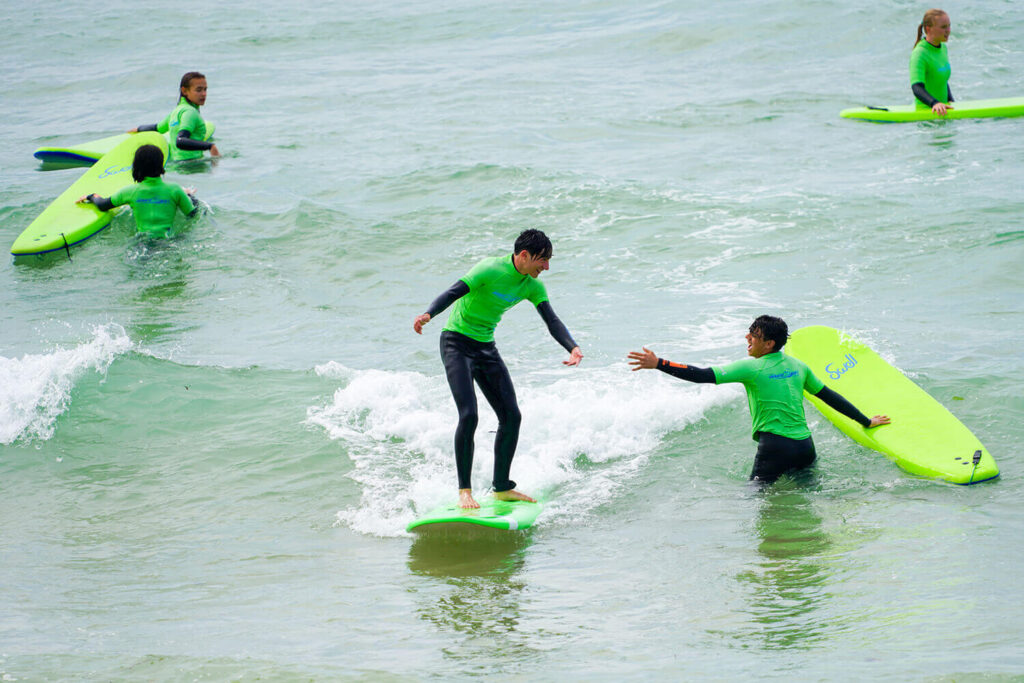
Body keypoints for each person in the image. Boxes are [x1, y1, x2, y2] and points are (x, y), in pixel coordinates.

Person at [413, 229, 584, 509]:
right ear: (524, 255)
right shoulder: (490, 268)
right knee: (469, 415)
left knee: (511, 416)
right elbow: (454, 292)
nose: (547, 267)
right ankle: (464, 492)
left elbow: (551, 320)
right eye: (543, 260)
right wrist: (428, 314)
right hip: (456, 343)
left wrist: (572, 347)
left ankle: (501, 487)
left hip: (485, 347)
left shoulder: (531, 285)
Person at [627, 315, 890, 483]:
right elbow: (830, 397)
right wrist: (866, 421)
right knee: (806, 503)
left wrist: (659, 363)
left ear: (769, 344)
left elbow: (702, 376)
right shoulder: (799, 366)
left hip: (775, 448)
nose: (747, 338)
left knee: (755, 502)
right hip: (805, 448)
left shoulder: (751, 368)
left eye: (754, 335)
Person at [77, 143, 198, 238]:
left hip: (142, 244)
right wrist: (189, 196)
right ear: (161, 165)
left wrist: (91, 196)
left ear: (136, 167)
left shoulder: (130, 192)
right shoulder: (175, 190)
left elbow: (103, 205)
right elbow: (192, 214)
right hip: (169, 242)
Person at [129, 71, 220, 162]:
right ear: (184, 91)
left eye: (205, 89)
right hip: (193, 166)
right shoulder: (190, 113)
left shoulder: (176, 112)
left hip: (178, 165)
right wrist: (210, 146)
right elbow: (180, 140)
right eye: (199, 90)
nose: (204, 94)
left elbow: (158, 128)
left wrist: (139, 129)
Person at [910, 9, 954, 116]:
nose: (948, 30)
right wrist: (934, 103)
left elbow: (942, 81)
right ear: (928, 29)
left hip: (943, 110)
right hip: (926, 114)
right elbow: (917, 87)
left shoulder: (943, 48)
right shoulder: (920, 53)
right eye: (943, 27)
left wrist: (951, 101)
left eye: (949, 26)